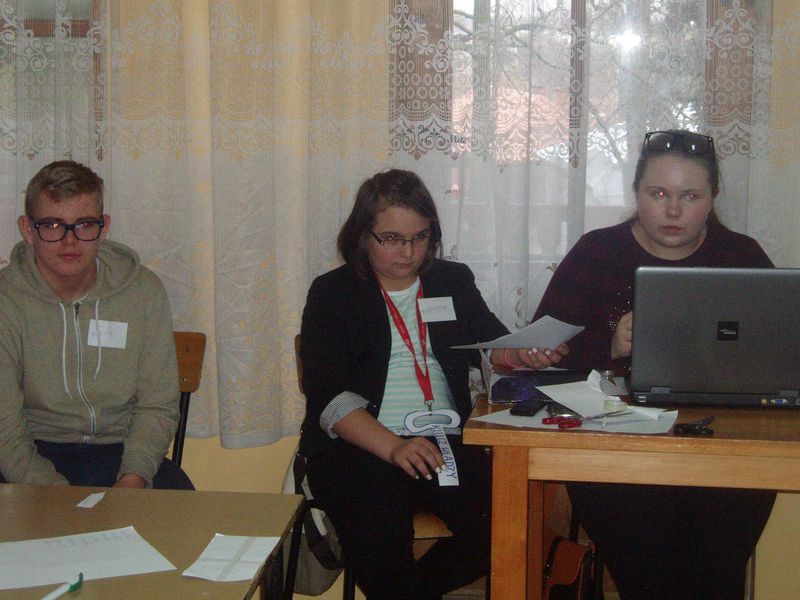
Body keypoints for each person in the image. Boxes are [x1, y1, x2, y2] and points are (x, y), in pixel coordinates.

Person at [531, 129, 776, 600]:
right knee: (651, 579)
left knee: (714, 578)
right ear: (636, 193)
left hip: (722, 441)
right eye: (658, 194)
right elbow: (545, 356)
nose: (673, 211)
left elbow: (776, 352)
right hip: (617, 445)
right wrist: (610, 344)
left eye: (690, 196)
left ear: (713, 197)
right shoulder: (597, 252)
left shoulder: (740, 255)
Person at [298, 169, 565, 600]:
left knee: (508, 526)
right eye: (391, 239)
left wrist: (523, 353)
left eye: (419, 238)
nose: (408, 252)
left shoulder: (450, 281)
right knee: (379, 536)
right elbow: (329, 398)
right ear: (363, 235)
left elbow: (491, 343)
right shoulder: (333, 293)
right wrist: (394, 447)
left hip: (445, 441)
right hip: (363, 446)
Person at [0, 160, 193, 490]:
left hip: (122, 451)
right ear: (28, 230)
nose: (70, 241)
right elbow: (5, 427)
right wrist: (56, 497)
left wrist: (133, 478)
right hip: (32, 454)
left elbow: (157, 405)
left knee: (184, 512)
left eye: (84, 225)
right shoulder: (7, 300)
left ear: (103, 228)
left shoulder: (143, 291)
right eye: (53, 225)